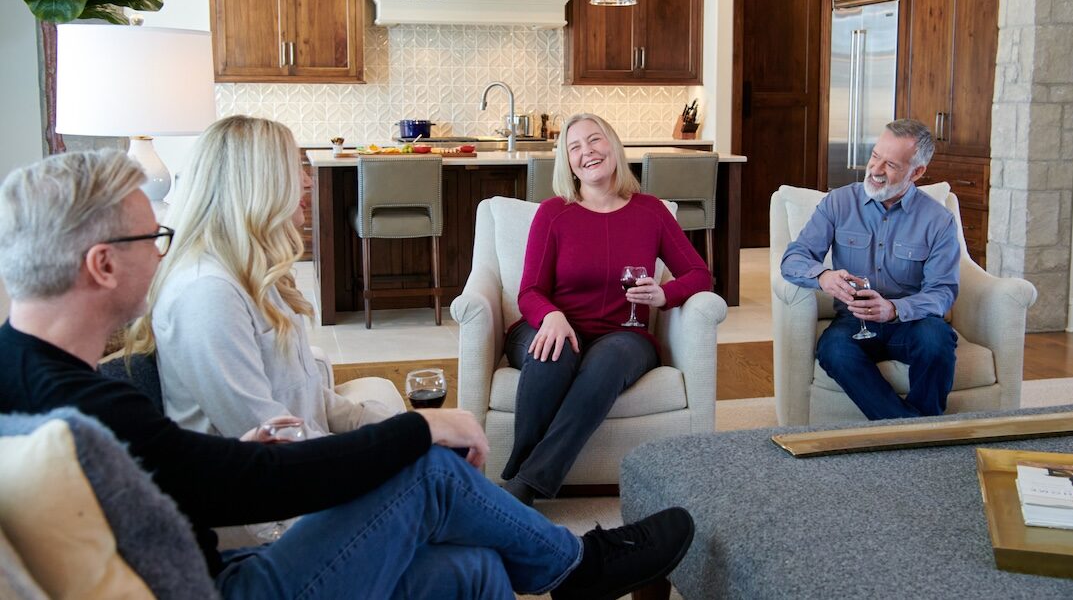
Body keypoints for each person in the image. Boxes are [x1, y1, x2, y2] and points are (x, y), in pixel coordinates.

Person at [0, 149, 694, 599]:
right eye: (153, 239)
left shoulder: (30, 371)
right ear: (102, 264)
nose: (163, 255)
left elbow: (184, 480)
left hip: (211, 566)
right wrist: (416, 426)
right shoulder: (80, 406)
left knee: (479, 570)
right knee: (426, 468)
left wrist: (234, 456)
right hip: (226, 589)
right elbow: (255, 489)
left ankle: (567, 562)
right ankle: (580, 566)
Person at [128, 116, 397, 442]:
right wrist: (392, 446)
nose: (308, 181)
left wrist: (401, 429)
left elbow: (307, 396)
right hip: (268, 484)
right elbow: (272, 439)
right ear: (255, 184)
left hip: (309, 464)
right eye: (293, 168)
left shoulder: (257, 276)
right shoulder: (208, 295)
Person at [501, 113, 712, 506]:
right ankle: (521, 478)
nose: (588, 153)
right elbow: (529, 290)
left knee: (609, 361)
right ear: (567, 161)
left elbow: (700, 275)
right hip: (552, 324)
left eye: (595, 141)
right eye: (575, 147)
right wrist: (551, 315)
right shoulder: (553, 213)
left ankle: (521, 487)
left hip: (624, 334)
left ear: (613, 145)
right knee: (554, 351)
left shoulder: (650, 211)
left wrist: (665, 296)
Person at [780, 118, 960, 420]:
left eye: (891, 164)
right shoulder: (838, 203)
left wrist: (893, 308)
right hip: (854, 321)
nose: (875, 170)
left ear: (917, 172)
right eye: (875, 156)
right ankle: (912, 431)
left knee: (937, 341)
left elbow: (942, 292)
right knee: (833, 351)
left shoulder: (938, 220)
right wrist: (823, 276)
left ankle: (913, 432)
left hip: (912, 322)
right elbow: (793, 259)